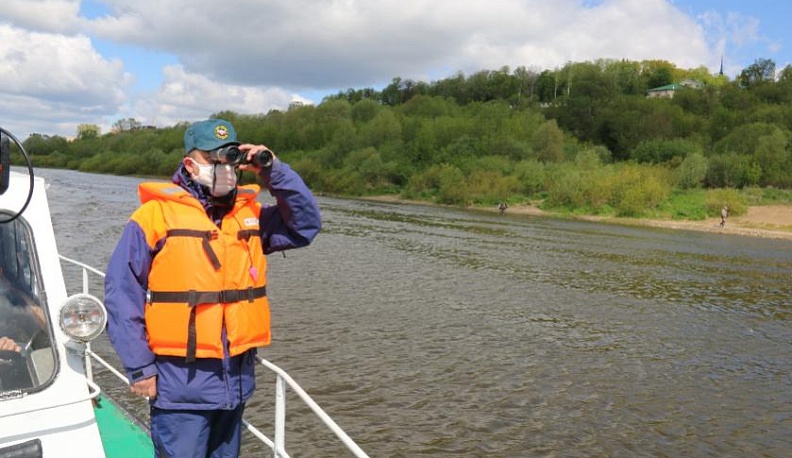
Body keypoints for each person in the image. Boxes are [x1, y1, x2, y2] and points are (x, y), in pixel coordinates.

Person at [104, 118, 321, 457]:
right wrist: (140, 367)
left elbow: (305, 226)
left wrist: (273, 170)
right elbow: (121, 292)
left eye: (229, 159)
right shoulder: (154, 216)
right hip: (180, 387)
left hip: (235, 383)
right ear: (190, 164)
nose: (224, 168)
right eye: (213, 159)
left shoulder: (250, 216)